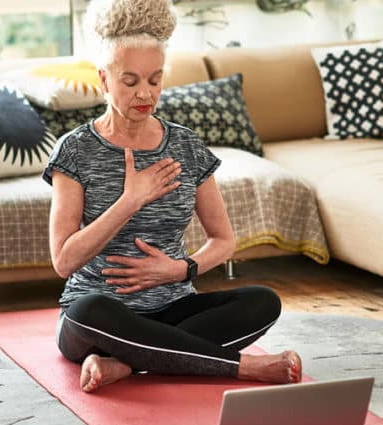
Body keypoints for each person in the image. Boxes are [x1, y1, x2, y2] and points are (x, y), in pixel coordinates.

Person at [43, 0, 301, 393]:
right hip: (100, 317)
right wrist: (129, 200)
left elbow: (223, 239)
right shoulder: (75, 150)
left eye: (155, 80)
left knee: (264, 302)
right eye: (130, 82)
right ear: (104, 80)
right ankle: (243, 368)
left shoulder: (185, 146)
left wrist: (182, 270)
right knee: (88, 312)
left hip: (173, 310)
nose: (145, 94)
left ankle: (127, 365)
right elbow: (63, 261)